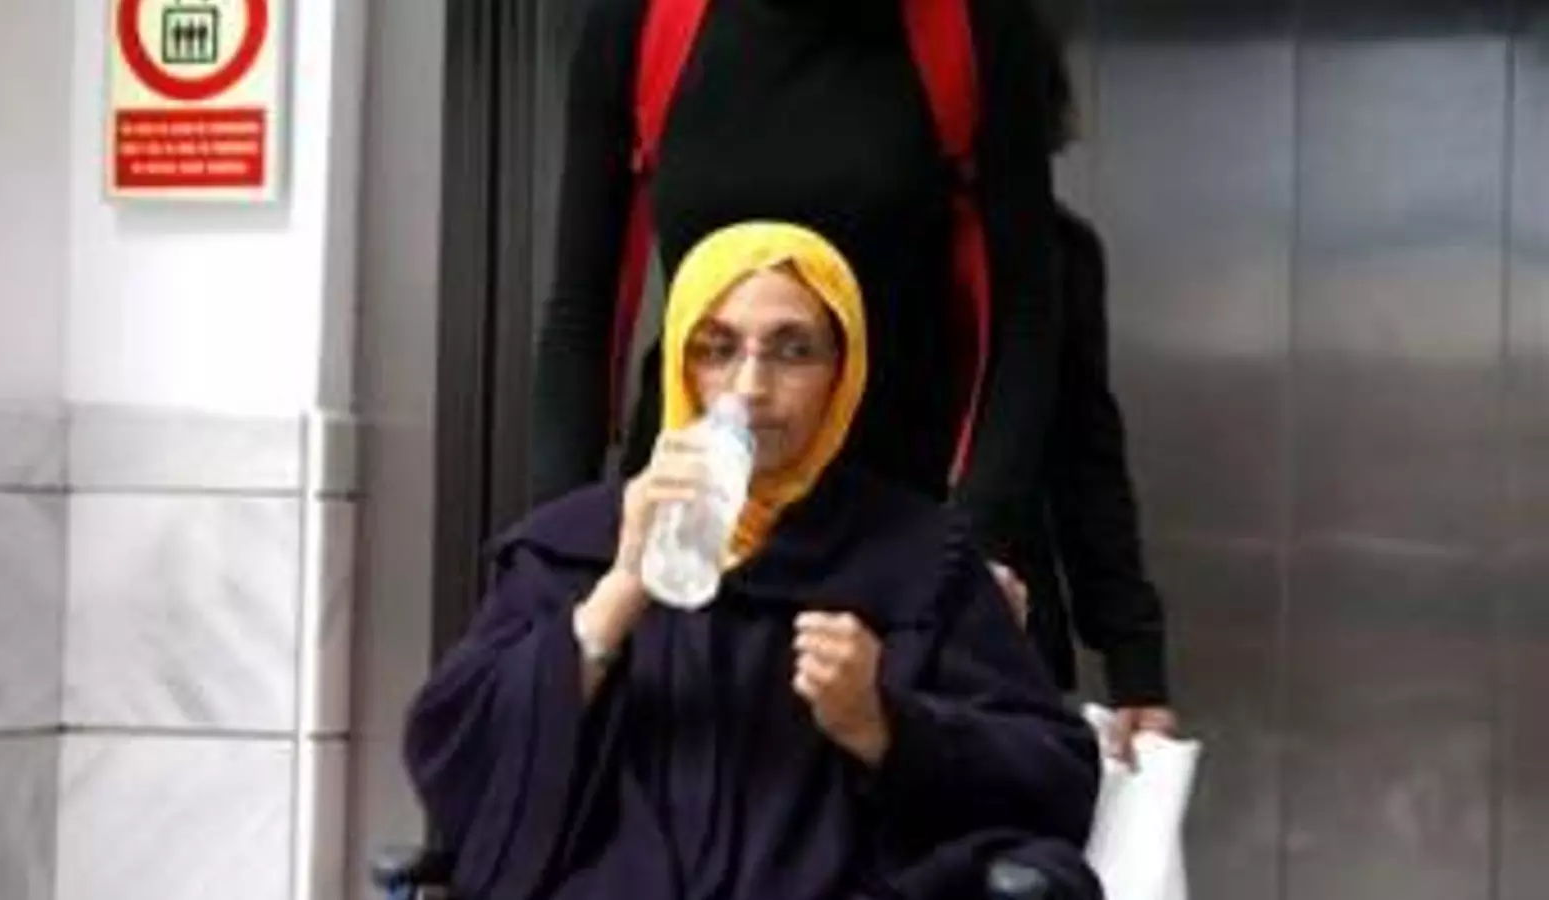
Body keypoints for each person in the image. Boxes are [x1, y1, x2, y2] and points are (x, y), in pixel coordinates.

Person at [408, 222, 1102, 900]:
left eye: (793, 351)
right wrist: (618, 593)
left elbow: (1053, 779)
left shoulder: (921, 560)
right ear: (679, 364)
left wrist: (883, 725)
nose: (751, 386)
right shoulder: (569, 547)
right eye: (716, 348)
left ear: (842, 374)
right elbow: (456, 760)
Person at [529, 0, 1060, 589]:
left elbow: (1026, 316)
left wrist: (971, 550)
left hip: (900, 526)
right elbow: (582, 313)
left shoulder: (971, 24)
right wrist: (557, 561)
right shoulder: (643, 20)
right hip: (694, 521)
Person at [1021, 45, 1179, 763]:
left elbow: (1084, 459)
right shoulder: (850, 242)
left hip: (1008, 628)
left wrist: (1135, 661)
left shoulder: (1056, 250)